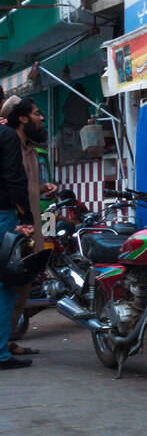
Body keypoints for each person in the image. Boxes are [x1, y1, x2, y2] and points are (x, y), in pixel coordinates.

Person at [2, 97, 55, 357]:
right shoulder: (9, 145)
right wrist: (22, 221)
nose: (41, 118)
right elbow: (13, 185)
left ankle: (8, 341)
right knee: (10, 286)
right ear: (21, 118)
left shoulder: (32, 150)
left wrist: (44, 188)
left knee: (22, 287)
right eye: (36, 113)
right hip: (18, 225)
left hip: (33, 225)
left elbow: (24, 186)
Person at [0, 108, 33, 370]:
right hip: (3, 215)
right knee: (4, 285)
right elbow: (14, 179)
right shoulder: (6, 136)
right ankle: (1, 352)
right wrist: (27, 217)